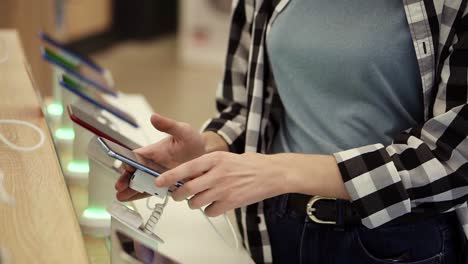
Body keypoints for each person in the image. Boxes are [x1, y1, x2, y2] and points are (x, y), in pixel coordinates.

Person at [115, 0, 468, 263]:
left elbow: (453, 162)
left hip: (396, 240)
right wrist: (207, 147)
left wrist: (279, 171)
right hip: (275, 224)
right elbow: (250, 105)